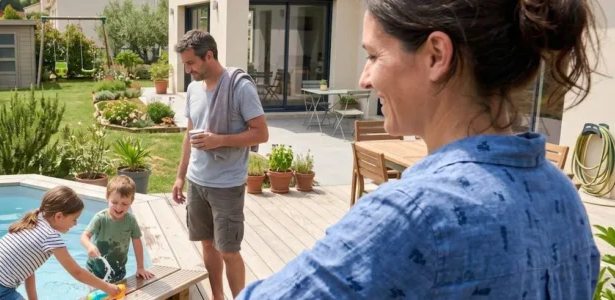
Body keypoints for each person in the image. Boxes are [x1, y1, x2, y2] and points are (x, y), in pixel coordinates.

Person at [237, 0, 601, 298]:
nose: (365, 78)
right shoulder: (560, 193)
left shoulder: (415, 213)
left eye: (374, 55)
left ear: (436, 55)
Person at [171, 29, 269, 300]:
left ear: (209, 56)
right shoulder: (193, 89)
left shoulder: (240, 87)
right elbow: (188, 136)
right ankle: (217, 297)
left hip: (226, 184)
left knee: (228, 250)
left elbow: (261, 133)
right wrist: (180, 176)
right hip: (197, 181)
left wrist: (220, 140)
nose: (187, 70)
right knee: (207, 244)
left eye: (191, 63)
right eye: (185, 64)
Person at [0, 186, 122, 300]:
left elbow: (27, 268)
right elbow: (77, 272)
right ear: (58, 216)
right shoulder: (50, 237)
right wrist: (107, 287)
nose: (75, 224)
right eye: (74, 219)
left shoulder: (38, 218)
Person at [81, 175, 155, 282]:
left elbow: (137, 243)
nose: (119, 207)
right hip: (94, 271)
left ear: (132, 201)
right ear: (107, 197)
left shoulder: (131, 221)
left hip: (118, 272)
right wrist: (90, 246)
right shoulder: (101, 218)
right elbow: (84, 236)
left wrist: (140, 267)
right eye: (114, 202)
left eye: (124, 204)